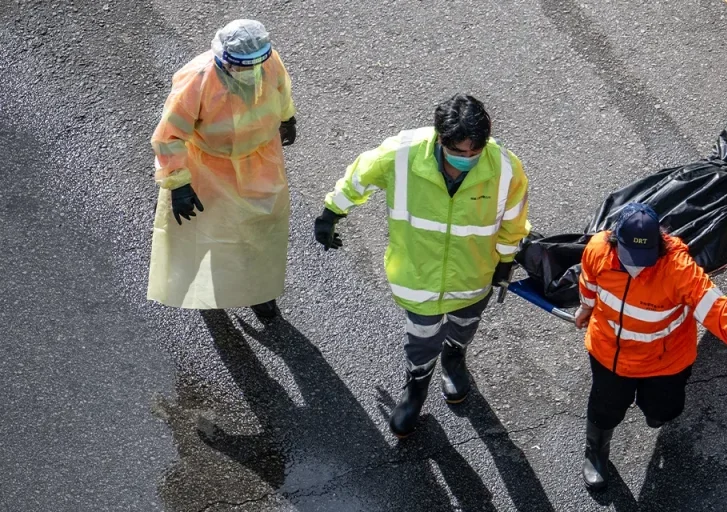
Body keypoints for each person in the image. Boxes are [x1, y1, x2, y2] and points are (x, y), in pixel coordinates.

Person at [314, 94, 530, 437]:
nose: (467, 159)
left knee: (465, 324)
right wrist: (331, 213)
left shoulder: (505, 168)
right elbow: (360, 176)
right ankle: (416, 385)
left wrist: (506, 261)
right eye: (458, 152)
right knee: (421, 337)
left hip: (474, 275)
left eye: (475, 152)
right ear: (440, 139)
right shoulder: (402, 154)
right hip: (418, 276)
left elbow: (513, 220)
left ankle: (454, 357)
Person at [574, 202, 727, 491]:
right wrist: (586, 307)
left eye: (644, 258)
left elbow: (711, 302)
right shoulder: (598, 249)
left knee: (664, 410)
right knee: (605, 409)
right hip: (610, 355)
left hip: (664, 361)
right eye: (631, 257)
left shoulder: (677, 268)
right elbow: (588, 281)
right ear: (615, 242)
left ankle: (655, 412)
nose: (638, 267)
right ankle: (596, 452)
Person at [148, 19, 297, 320]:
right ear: (225, 60)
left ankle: (258, 290)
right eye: (242, 66)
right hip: (209, 168)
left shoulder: (269, 62)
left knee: (262, 229)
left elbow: (281, 89)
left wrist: (287, 117)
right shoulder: (198, 80)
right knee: (208, 234)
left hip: (259, 161)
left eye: (256, 65)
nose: (251, 72)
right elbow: (169, 136)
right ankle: (206, 290)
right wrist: (179, 183)